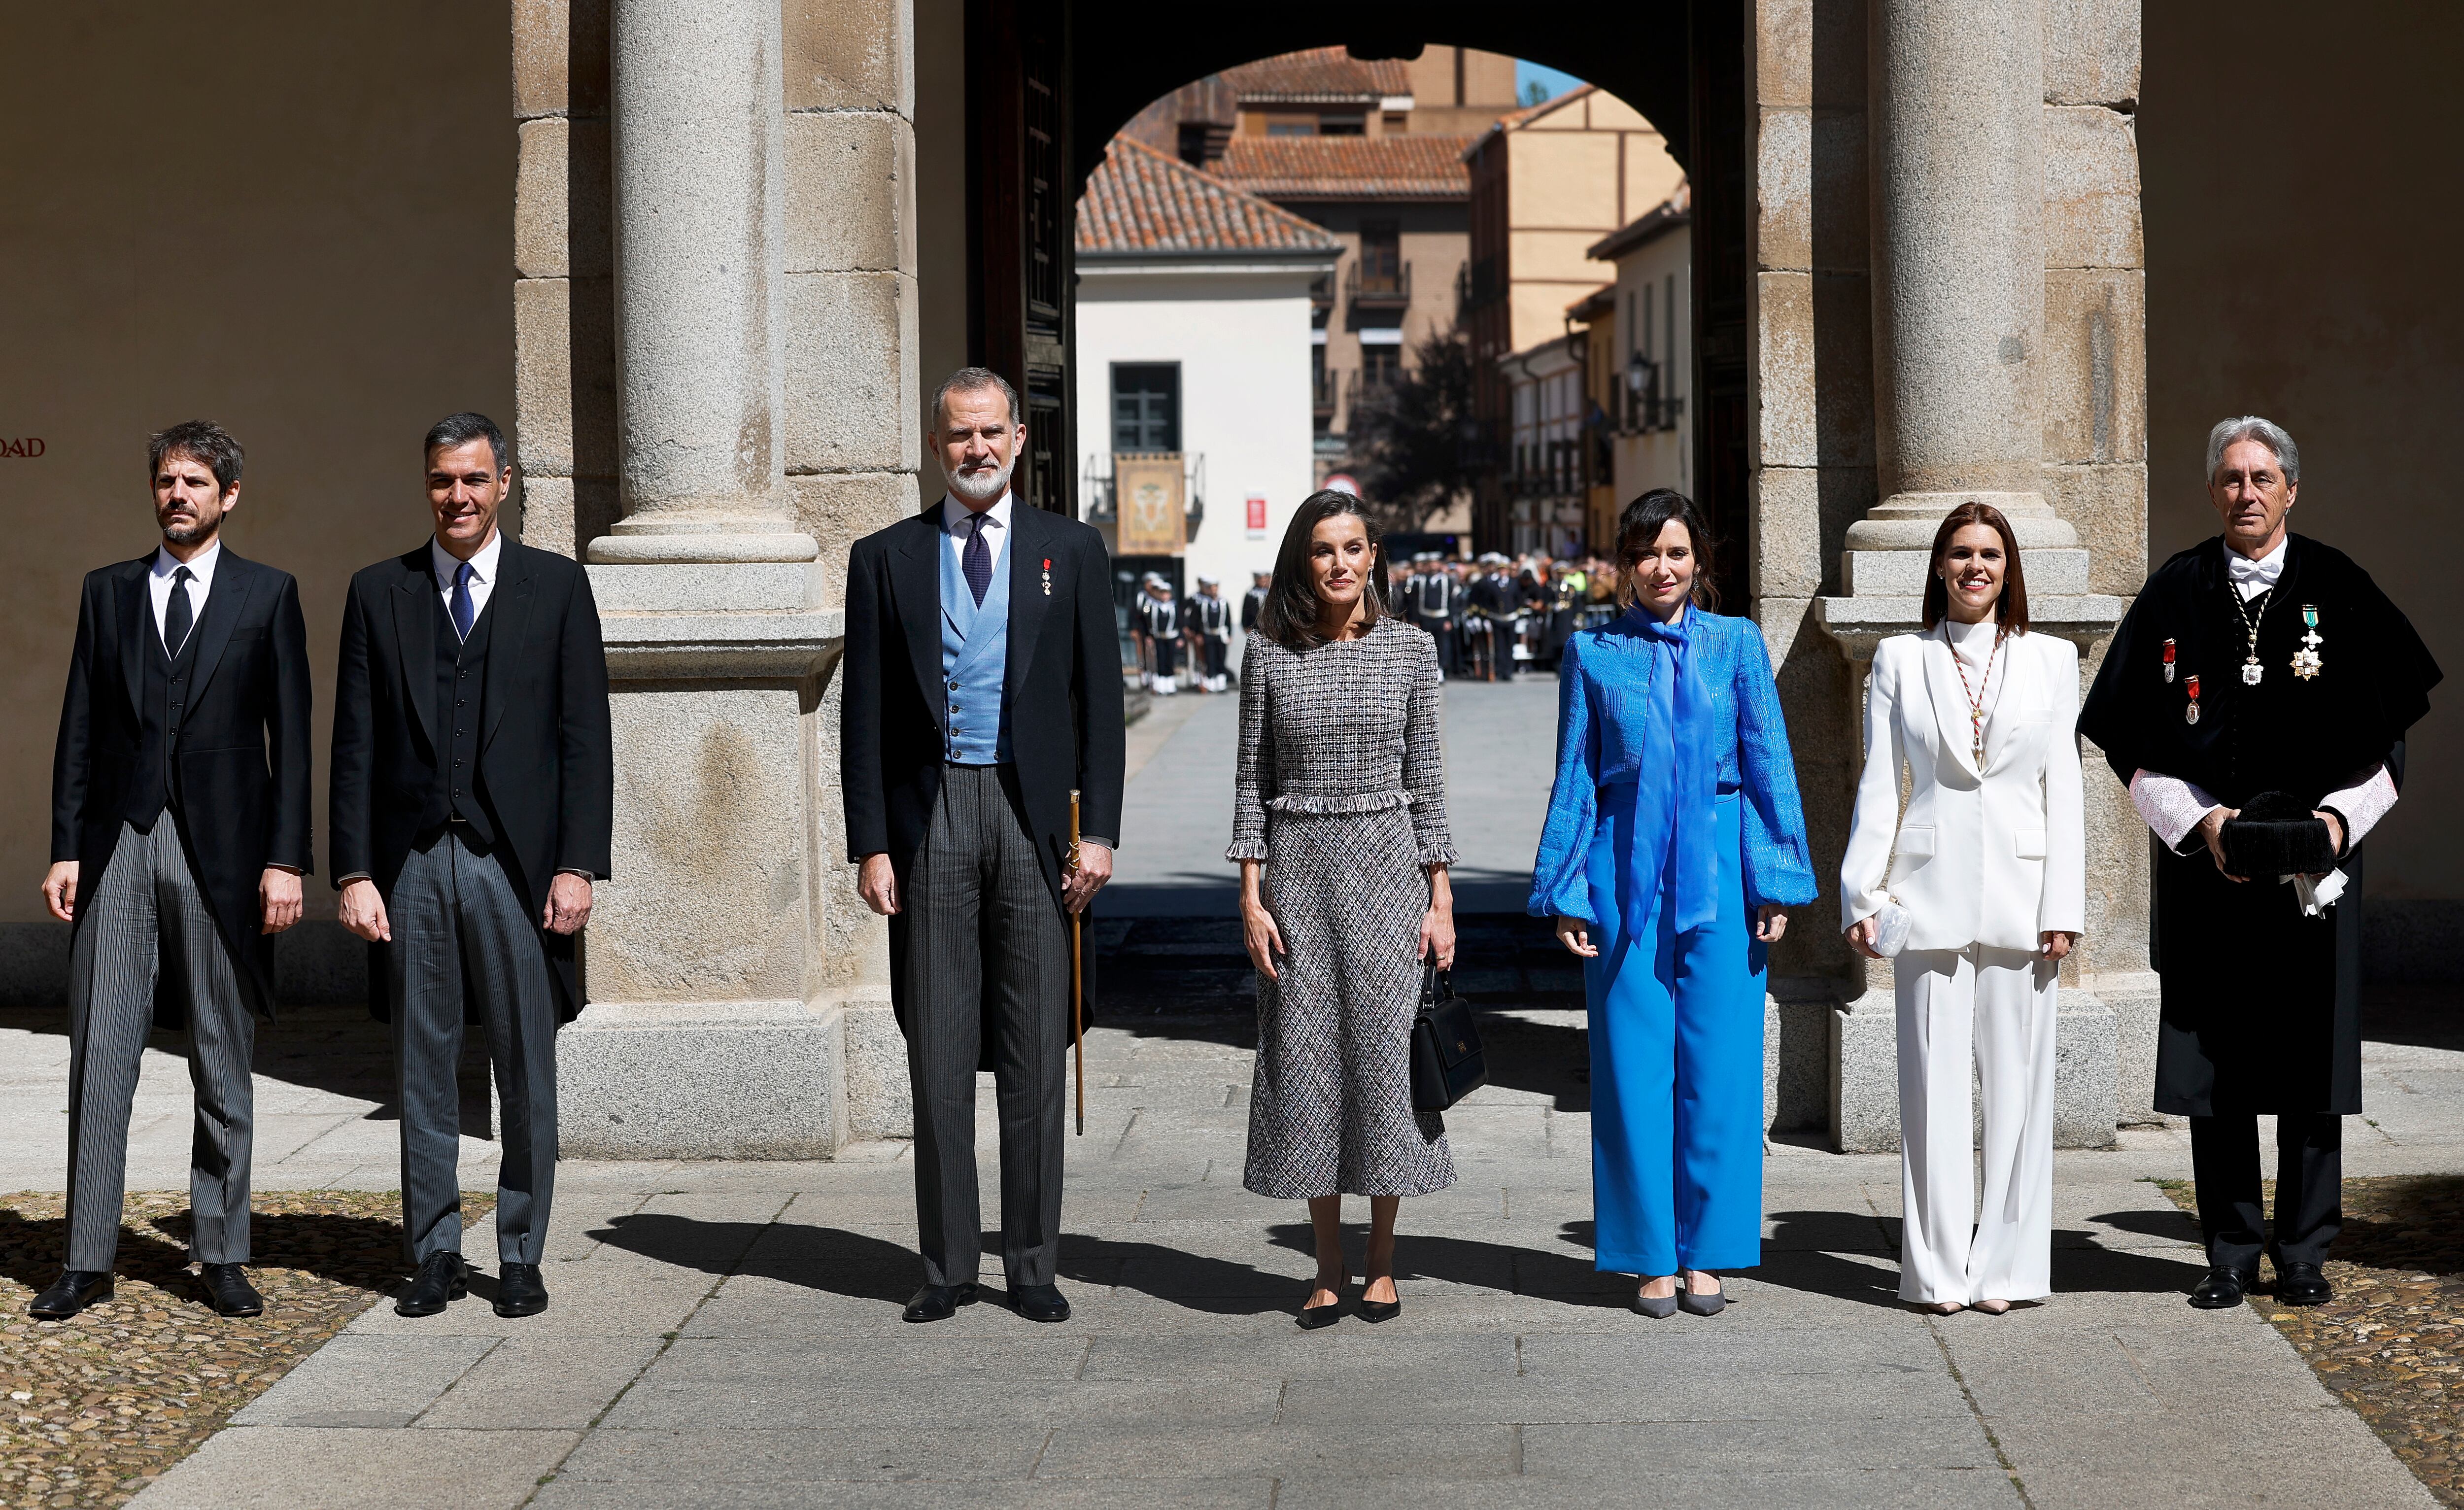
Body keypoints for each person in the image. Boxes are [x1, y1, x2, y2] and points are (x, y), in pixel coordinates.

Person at [2079, 416, 2440, 1310]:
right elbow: (2129, 742)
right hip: (2213, 879)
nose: (2247, 491)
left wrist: (2331, 826)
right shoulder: (2177, 591)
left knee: (2310, 1067)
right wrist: (2200, 822)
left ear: (2291, 490)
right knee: (2222, 1069)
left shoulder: (2340, 586)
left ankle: (2305, 1249)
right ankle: (2231, 1249)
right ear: (2214, 491)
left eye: (2263, 476)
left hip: (2316, 879)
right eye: (2232, 477)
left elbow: (2388, 746)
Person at [842, 367, 1126, 1325]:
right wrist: (871, 844)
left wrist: (1102, 835)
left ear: (1018, 439)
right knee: (938, 1051)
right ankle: (948, 1263)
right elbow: (866, 719)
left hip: (1033, 816)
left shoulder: (1071, 550)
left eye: (991, 431)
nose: (976, 448)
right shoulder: (884, 558)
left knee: (1034, 1049)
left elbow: (1101, 709)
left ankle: (1033, 1262)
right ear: (937, 444)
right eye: (959, 433)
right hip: (930, 821)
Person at [331, 412, 613, 1321]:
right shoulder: (380, 592)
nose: (458, 496)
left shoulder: (558, 587)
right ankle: (434, 1251)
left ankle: (521, 1251)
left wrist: (577, 864)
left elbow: (585, 741)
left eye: (474, 480)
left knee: (527, 1064)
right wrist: (352, 870)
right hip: (411, 861)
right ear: (428, 485)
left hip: (519, 865)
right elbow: (355, 747)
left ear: (505, 483)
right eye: (443, 480)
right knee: (422, 1062)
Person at [34, 421, 311, 1323]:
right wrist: (68, 845)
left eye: (195, 480)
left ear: (229, 494)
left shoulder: (269, 596)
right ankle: (87, 1255)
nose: (178, 494)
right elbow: (80, 727)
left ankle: (222, 1246)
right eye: (166, 480)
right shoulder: (108, 592)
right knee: (100, 1054)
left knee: (222, 1055)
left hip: (224, 854)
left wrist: (284, 859)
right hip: (118, 843)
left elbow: (294, 744)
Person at [1532, 490, 1814, 1318]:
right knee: (1631, 1065)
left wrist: (1777, 880)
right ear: (1625, 562)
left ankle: (1710, 1250)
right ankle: (1649, 1250)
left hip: (1722, 865)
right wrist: (1570, 888)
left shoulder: (1738, 645)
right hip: (1624, 868)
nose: (1664, 567)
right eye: (1649, 552)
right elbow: (1576, 776)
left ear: (1701, 564)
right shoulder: (1591, 653)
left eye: (1679, 553)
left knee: (1721, 1066)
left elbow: (1769, 763)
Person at [1840, 502, 2085, 1314]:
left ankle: (2009, 1269)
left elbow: (2066, 790)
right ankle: (1938, 1271)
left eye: (1990, 553)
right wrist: (1861, 893)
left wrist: (2066, 903)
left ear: (2010, 567)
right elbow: (1880, 784)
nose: (1975, 566)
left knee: (2019, 1095)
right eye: (1960, 553)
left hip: (2025, 894)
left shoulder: (2051, 659)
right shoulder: (1899, 658)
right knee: (1932, 1096)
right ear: (1939, 566)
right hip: (1927, 892)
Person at [1232, 490, 1457, 1328]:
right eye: (1324, 549)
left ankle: (1382, 1259)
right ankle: (1326, 1265)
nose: (1341, 564)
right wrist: (1251, 894)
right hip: (1298, 872)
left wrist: (1442, 896)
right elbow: (1250, 781)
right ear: (1303, 560)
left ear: (1374, 555)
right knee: (1307, 1062)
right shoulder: (1268, 652)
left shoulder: (1411, 648)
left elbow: (1429, 779)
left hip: (1391, 867)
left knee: (1384, 1063)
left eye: (1354, 547)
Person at [1138, 575, 1182, 695]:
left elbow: (1180, 622)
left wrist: (1180, 638)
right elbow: (1146, 621)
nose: (1164, 596)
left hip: (1171, 637)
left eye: (1166, 593)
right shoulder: (1152, 605)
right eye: (1162, 593)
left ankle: (1170, 686)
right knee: (1160, 661)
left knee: (1170, 661)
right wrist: (1148, 636)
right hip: (1158, 637)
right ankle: (1161, 687)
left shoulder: (1174, 606)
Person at [1190, 575, 1233, 692]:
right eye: (1211, 588)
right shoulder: (1202, 603)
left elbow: (1228, 620)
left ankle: (1221, 684)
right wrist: (1198, 634)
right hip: (1208, 634)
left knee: (1221, 658)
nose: (1213, 590)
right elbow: (1195, 620)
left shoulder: (1223, 602)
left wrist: (1230, 635)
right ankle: (1211, 683)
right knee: (1210, 658)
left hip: (1221, 634)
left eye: (1215, 588)